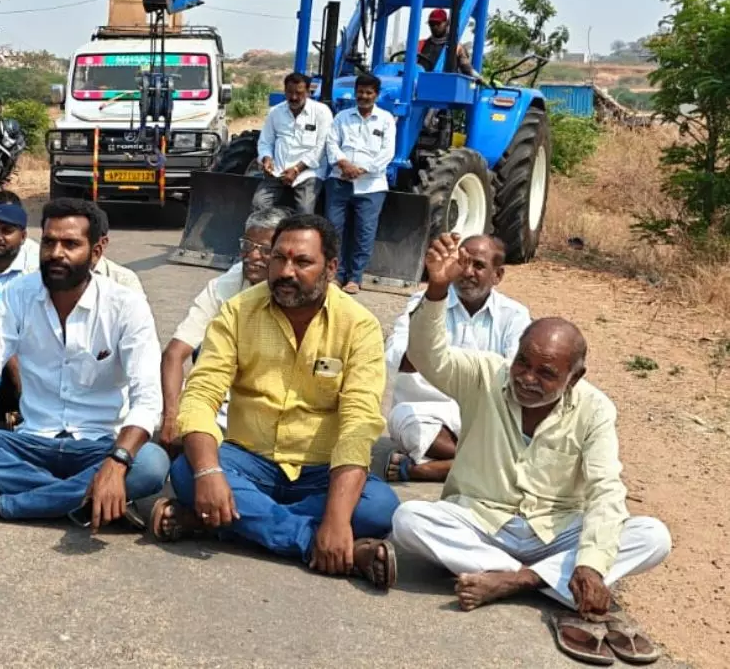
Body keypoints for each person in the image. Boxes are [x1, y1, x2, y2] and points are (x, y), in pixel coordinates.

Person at [389, 234, 670, 665]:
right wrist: (438, 289)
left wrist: (591, 562)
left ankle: (513, 582)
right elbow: (427, 356)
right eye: (523, 362)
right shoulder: (486, 375)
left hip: (556, 530)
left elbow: (605, 489)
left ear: (574, 378)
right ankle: (556, 584)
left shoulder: (595, 409)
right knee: (409, 519)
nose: (527, 378)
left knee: (652, 536)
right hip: (483, 520)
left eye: (546, 373)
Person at [153, 214, 399, 590]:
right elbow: (201, 394)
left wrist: (337, 517)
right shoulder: (238, 312)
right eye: (278, 258)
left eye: (302, 262)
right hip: (248, 460)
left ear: (330, 268)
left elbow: (359, 423)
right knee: (189, 473)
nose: (286, 272)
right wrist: (209, 473)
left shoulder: (359, 326)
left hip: (320, 470)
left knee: (379, 507)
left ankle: (217, 523)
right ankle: (319, 545)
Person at [0, 199, 169, 529]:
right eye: (49, 242)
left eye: (70, 244)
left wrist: (116, 463)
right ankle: (90, 498)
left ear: (97, 250)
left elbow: (148, 398)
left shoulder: (126, 306)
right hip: (32, 441)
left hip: (100, 445)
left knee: (151, 464)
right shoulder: (18, 295)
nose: (56, 253)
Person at [382, 235, 530, 485]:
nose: (467, 272)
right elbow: (396, 356)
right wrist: (435, 295)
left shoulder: (514, 315)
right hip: (427, 411)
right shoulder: (425, 300)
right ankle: (490, 466)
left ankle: (435, 469)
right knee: (403, 420)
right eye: (462, 263)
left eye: (479, 266)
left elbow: (515, 373)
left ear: (497, 275)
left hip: (485, 414)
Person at [157, 207, 290, 448]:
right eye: (247, 245)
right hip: (221, 398)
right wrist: (171, 417)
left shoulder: (296, 290)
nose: (252, 256)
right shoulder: (225, 285)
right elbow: (174, 353)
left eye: (265, 250)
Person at [324, 74, 396, 293]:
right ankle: (336, 275)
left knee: (364, 232)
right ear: (355, 92)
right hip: (339, 181)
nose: (364, 96)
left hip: (371, 186)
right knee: (334, 229)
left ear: (376, 95)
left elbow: (387, 152)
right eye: (360, 92)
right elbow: (331, 144)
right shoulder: (342, 117)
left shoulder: (386, 120)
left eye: (368, 92)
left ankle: (355, 278)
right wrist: (344, 164)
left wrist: (362, 170)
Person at [253, 73, 332, 215]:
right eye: (290, 92)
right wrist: (266, 158)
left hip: (308, 173)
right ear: (284, 91)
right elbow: (265, 142)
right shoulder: (275, 112)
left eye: (299, 93)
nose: (294, 97)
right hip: (278, 171)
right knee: (259, 204)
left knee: (305, 210)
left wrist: (296, 169)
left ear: (308, 92)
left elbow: (321, 148)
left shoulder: (321, 112)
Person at [416, 8, 474, 75]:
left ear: (446, 23)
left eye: (438, 23)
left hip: (447, 81)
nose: (435, 27)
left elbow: (467, 69)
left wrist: (477, 76)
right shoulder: (421, 44)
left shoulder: (457, 47)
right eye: (432, 24)